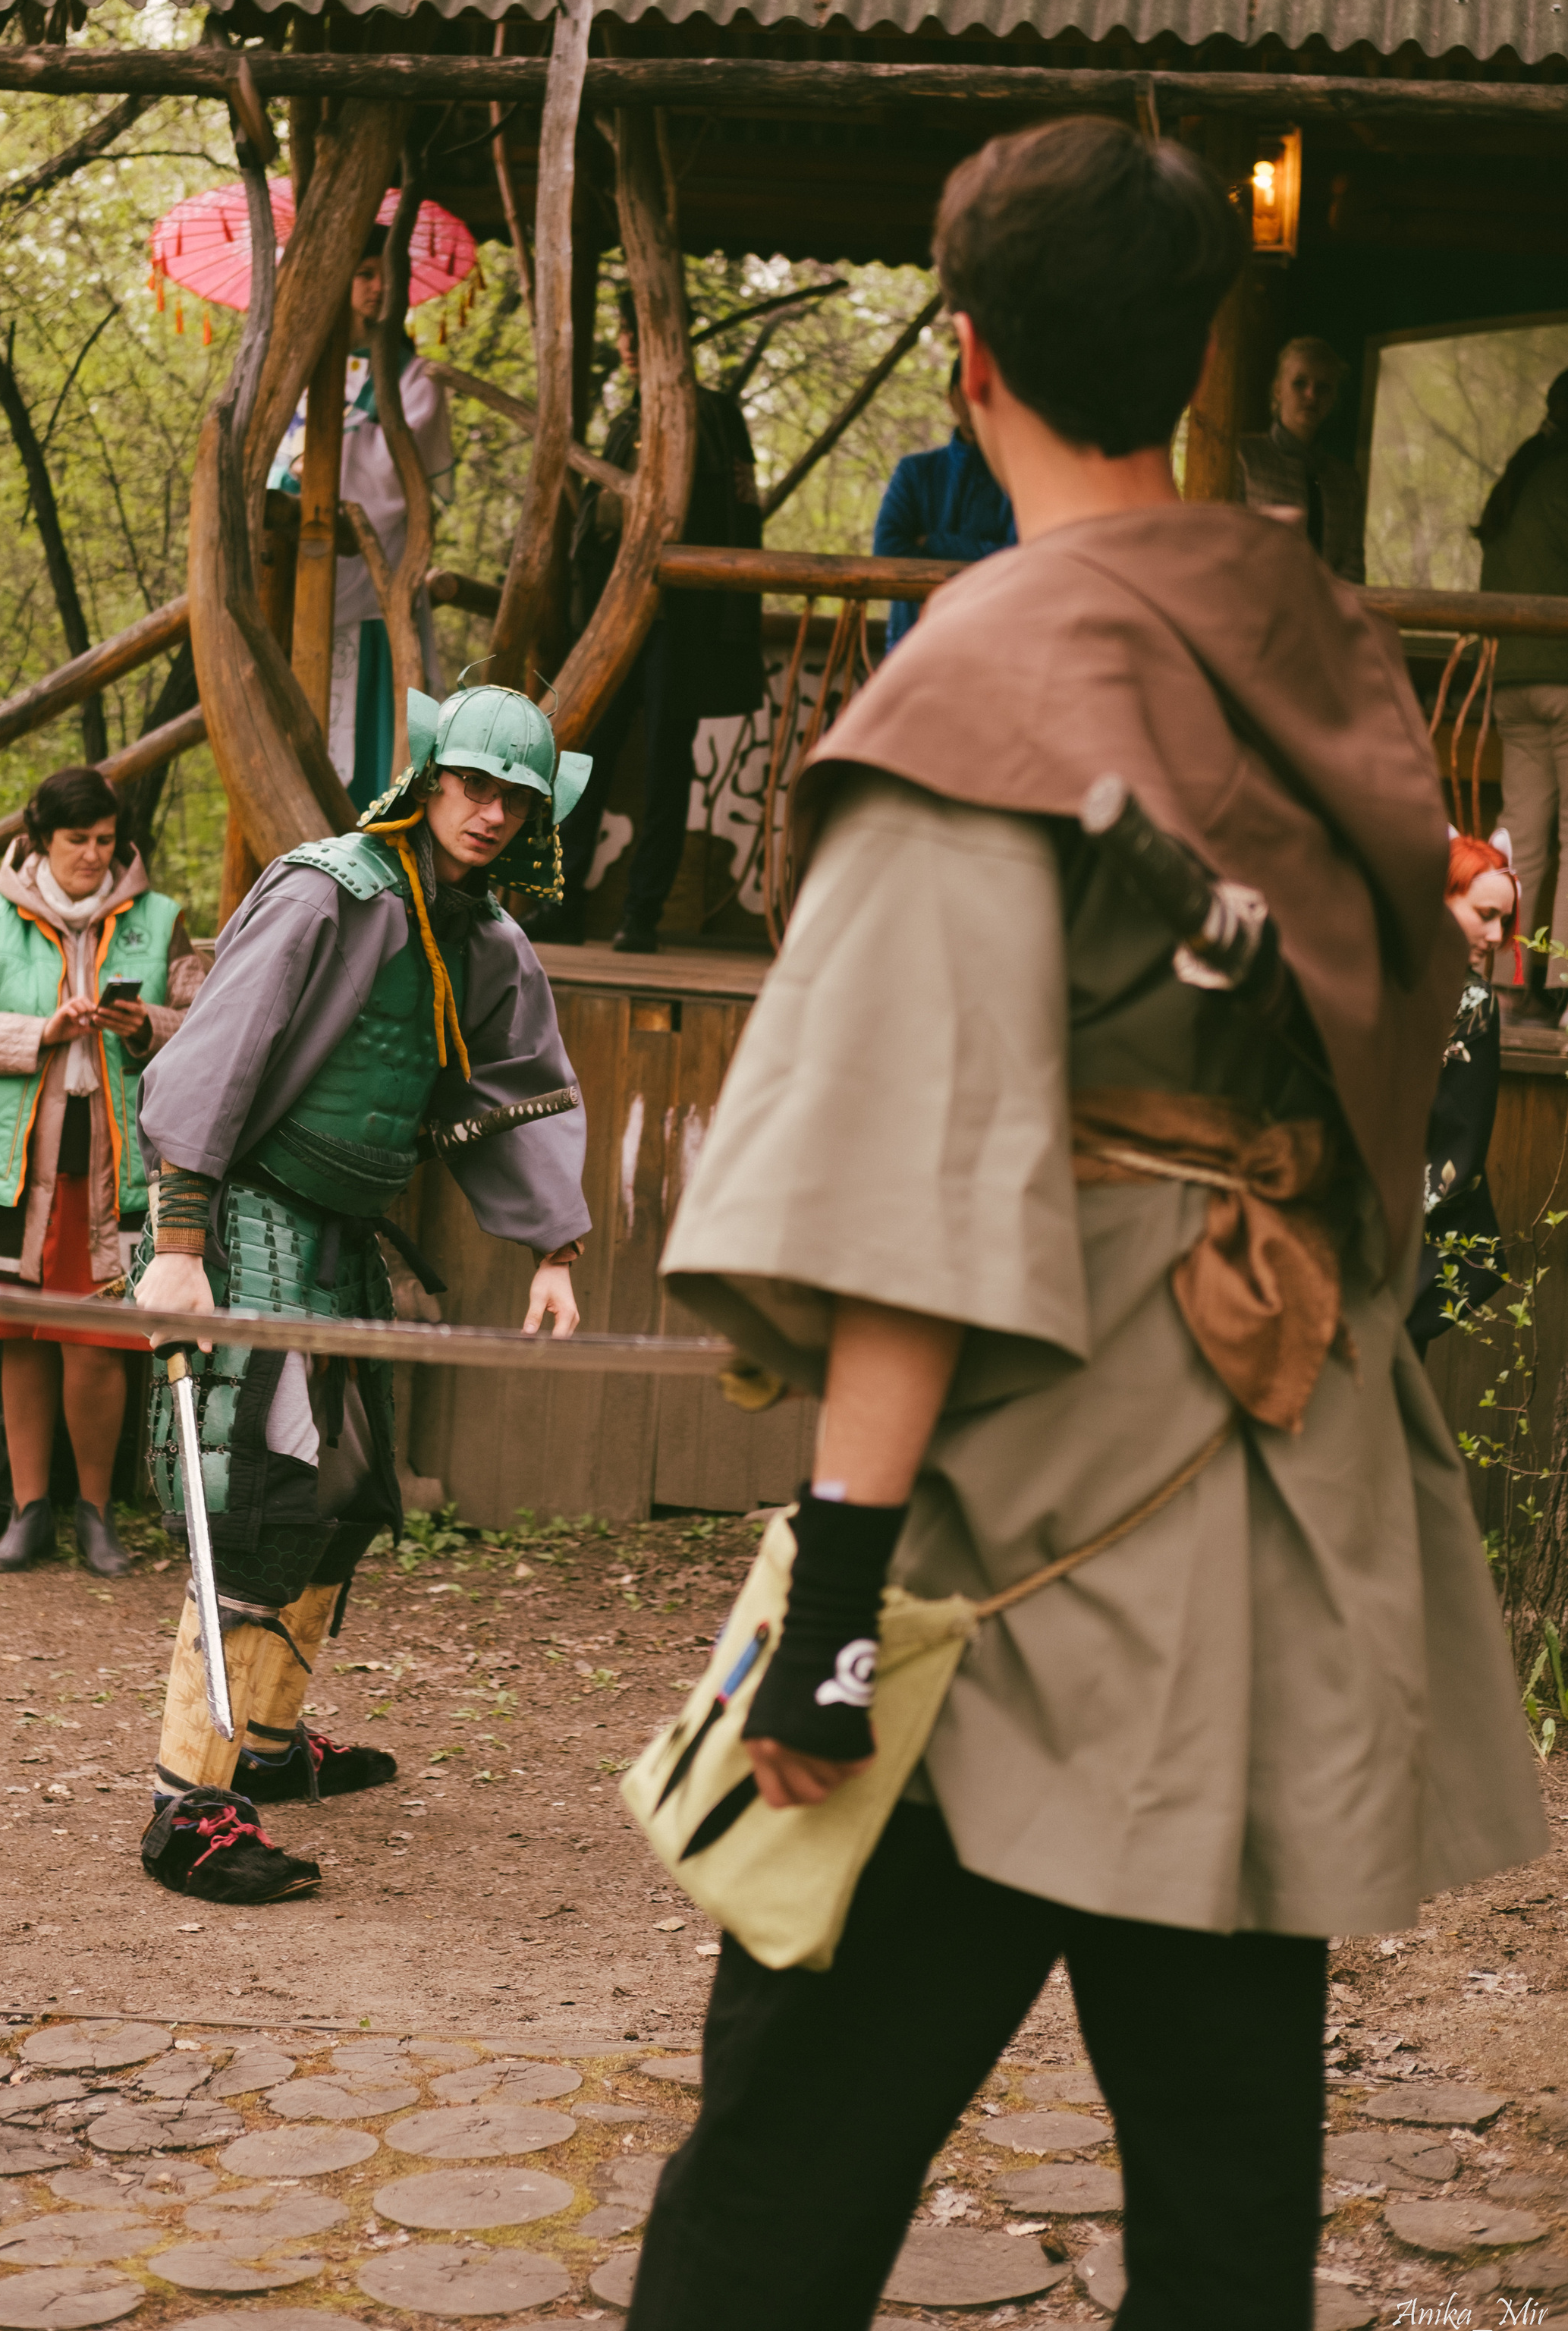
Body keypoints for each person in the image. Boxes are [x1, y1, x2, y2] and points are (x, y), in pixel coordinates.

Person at [630, 118, 1544, 2331]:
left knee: (776, 2178)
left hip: (1016, 1552)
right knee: (1225, 2205)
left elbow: (911, 1178)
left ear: (965, 362)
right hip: (1268, 1504)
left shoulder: (984, 679)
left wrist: (834, 1602)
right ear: (1202, 348)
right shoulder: (1307, 633)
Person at [127, 684, 593, 1902]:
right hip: (247, 1212)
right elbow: (213, 1055)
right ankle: (189, 1806)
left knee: (344, 1488)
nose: (489, 814)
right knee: (261, 1496)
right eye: (474, 785)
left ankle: (267, 1745)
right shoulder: (327, 891)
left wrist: (555, 1252)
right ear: (430, 777)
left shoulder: (484, 939)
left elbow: (520, 1086)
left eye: (516, 799)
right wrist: (179, 1238)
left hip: (342, 1232)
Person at [0, 766, 203, 1575]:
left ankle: (98, 1516)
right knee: (22, 1339)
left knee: (96, 1343)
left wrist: (144, 1022)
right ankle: (28, 1512)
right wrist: (44, 1029)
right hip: (14, 1168)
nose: (93, 855)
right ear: (40, 838)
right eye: (77, 839)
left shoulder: (159, 920)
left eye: (106, 840)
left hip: (112, 1168)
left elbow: (210, 1026)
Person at [535, 292, 768, 955]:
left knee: (670, 763)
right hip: (615, 621)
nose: (630, 343)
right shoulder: (625, 420)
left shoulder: (718, 416)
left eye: (641, 331)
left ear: (675, 338)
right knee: (582, 756)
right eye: (623, 331)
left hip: (685, 624)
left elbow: (744, 517)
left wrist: (733, 620)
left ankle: (642, 914)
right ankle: (565, 902)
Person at [269, 224, 455, 812]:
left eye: (386, 276)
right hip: (296, 582)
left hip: (374, 584)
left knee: (379, 748)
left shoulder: (414, 378)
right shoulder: (297, 371)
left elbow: (390, 480)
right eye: (365, 274)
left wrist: (324, 459)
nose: (377, 288)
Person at [1475, 371, 1568, 1021]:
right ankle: (1564, 991)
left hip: (1513, 682)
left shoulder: (1521, 477)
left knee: (1523, 842)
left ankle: (1505, 992)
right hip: (1565, 677)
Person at [1408, 834, 1516, 1356]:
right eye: (1485, 914)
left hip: (1387, 1248)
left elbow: (1457, 1158)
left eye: (1504, 921)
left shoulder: (1472, 1002)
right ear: (1439, 897)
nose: (1497, 935)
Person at [872, 355, 1017, 649]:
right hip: (912, 642)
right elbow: (887, 551)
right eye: (966, 389)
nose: (976, 399)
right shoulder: (915, 472)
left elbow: (1017, 560)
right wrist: (980, 554)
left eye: (988, 389)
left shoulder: (1016, 480)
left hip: (990, 643)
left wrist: (933, 542)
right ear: (950, 397)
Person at [1233, 335, 1365, 580]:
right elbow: (1229, 549)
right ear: (1278, 389)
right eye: (1299, 383)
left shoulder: (1347, 482)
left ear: (1333, 397)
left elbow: (1353, 568)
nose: (1311, 395)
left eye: (1323, 387)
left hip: (1326, 616)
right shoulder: (1243, 457)